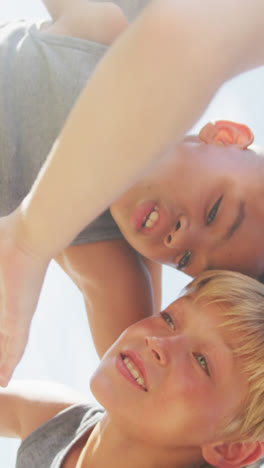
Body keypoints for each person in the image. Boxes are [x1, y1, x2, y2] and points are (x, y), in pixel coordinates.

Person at [1, 0, 264, 387]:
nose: (177, 239)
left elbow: (144, 373)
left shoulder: (108, 256)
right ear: (226, 136)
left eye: (186, 259)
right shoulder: (107, 41)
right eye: (213, 212)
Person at [2, 270, 264, 468]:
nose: (158, 342)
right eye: (169, 319)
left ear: (235, 447)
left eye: (201, 361)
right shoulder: (56, 422)